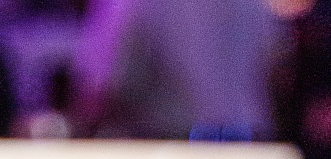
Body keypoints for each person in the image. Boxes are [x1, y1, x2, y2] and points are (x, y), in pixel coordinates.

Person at [71, 0, 279, 138]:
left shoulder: (128, 4)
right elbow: (273, 57)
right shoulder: (255, 4)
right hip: (250, 140)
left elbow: (103, 86)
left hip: (173, 146)